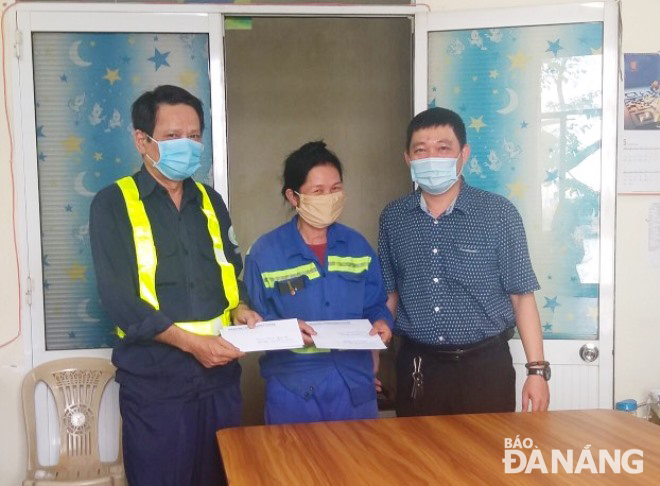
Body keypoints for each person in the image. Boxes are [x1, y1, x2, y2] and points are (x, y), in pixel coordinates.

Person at [89, 85, 261, 486]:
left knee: (222, 477)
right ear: (141, 140)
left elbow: (231, 270)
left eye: (194, 135)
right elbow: (118, 300)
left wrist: (243, 308)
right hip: (155, 385)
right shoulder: (112, 203)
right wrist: (192, 344)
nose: (187, 145)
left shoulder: (211, 201)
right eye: (171, 137)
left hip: (219, 381)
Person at [378, 107, 550, 417]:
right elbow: (389, 294)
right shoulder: (394, 218)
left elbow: (521, 297)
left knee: (486, 461)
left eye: (443, 148)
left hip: (485, 367)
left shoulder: (498, 214)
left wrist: (537, 372)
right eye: (421, 150)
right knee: (418, 460)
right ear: (408, 158)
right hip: (418, 366)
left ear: (463, 154)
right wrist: (372, 359)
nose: (432, 157)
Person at [244, 141, 393, 424]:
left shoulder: (357, 246)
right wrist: (286, 331)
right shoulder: (266, 252)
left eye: (336, 189)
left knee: (358, 466)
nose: (329, 197)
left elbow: (375, 304)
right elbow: (253, 319)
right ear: (294, 196)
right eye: (318, 191)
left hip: (354, 385)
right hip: (294, 390)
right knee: (296, 467)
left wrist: (383, 323)